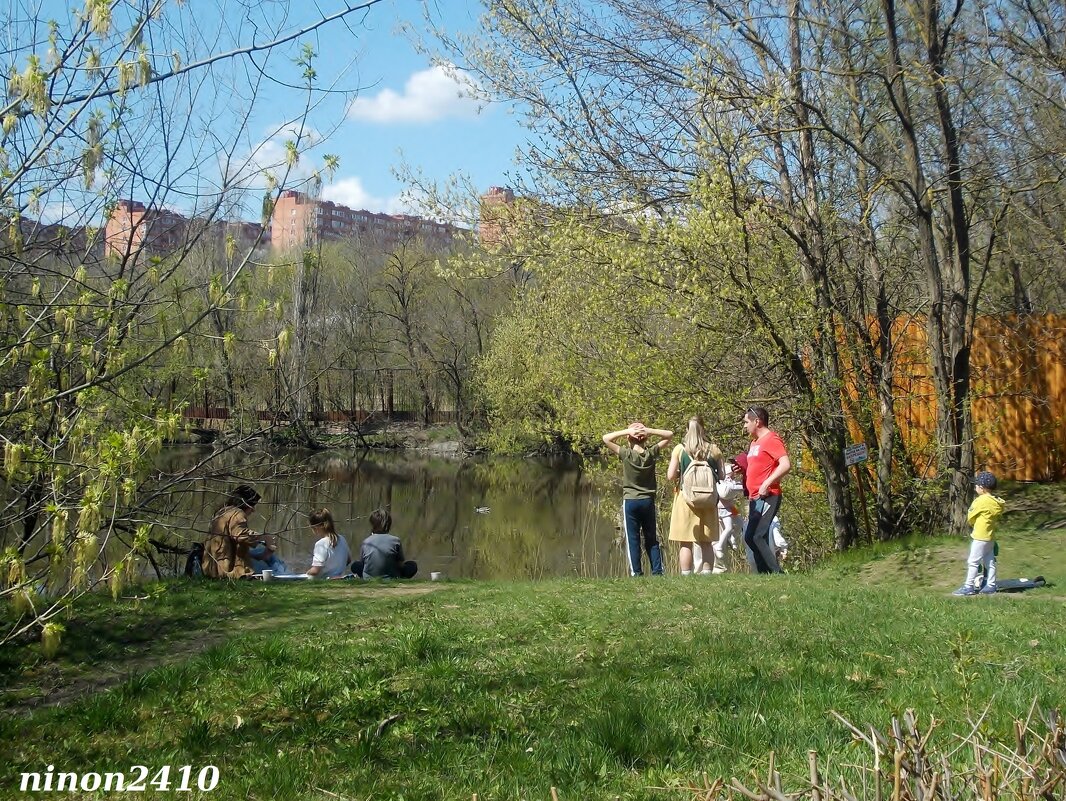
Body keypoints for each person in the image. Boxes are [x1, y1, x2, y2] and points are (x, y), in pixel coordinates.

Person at [602, 421, 674, 576]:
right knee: (651, 538)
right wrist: (648, 430)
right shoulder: (651, 453)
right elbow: (669, 435)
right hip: (648, 501)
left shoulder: (626, 454)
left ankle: (637, 572)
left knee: (633, 540)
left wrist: (626, 431)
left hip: (631, 501)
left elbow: (606, 438)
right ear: (646, 438)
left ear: (629, 438)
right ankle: (657, 571)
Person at [666, 416, 724, 575]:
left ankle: (686, 574)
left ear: (686, 430)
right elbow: (723, 476)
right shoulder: (713, 449)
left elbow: (670, 475)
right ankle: (706, 575)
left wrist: (682, 473)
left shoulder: (680, 449)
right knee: (706, 542)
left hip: (686, 499)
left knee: (686, 542)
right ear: (703, 429)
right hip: (708, 500)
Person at [741, 406, 791, 574]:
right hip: (755, 498)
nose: (744, 426)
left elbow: (785, 464)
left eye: (746, 422)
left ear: (757, 421)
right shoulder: (754, 442)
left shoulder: (772, 439)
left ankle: (776, 573)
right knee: (750, 537)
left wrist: (767, 483)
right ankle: (764, 574)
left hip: (769, 495)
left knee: (756, 536)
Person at [953, 471, 1006, 596]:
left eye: (976, 485)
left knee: (973, 561)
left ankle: (968, 586)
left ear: (982, 488)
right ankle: (991, 585)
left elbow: (971, 517)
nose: (975, 487)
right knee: (990, 561)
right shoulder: (996, 502)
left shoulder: (980, 501)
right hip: (990, 537)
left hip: (979, 537)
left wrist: (973, 523)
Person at [202, 484, 264, 579]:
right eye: (252, 505)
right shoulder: (237, 514)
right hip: (227, 571)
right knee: (270, 561)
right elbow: (241, 535)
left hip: (213, 568)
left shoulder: (223, 511)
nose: (253, 510)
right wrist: (264, 537)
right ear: (245, 503)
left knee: (260, 554)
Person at [352, 509, 418, 579]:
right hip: (391, 577)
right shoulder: (396, 540)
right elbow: (400, 563)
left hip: (368, 577)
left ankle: (367, 577)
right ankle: (399, 577)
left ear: (372, 524)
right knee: (412, 565)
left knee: (355, 565)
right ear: (389, 524)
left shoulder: (366, 542)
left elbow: (363, 562)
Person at [715, 455, 748, 573]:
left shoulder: (731, 480)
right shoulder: (723, 479)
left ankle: (733, 539)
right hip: (723, 509)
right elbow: (725, 492)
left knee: (740, 523)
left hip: (730, 508)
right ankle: (720, 545)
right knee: (728, 527)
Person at [306, 508, 352, 579]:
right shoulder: (342, 539)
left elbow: (315, 571)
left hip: (327, 579)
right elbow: (348, 560)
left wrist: (307, 573)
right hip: (340, 576)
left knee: (309, 577)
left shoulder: (321, 544)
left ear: (316, 527)